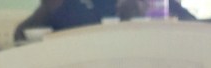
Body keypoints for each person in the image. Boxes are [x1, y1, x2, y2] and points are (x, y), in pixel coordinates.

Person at [13, 0, 195, 41]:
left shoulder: (154, 3)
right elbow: (22, 34)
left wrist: (149, 15)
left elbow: (197, 29)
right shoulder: (65, 4)